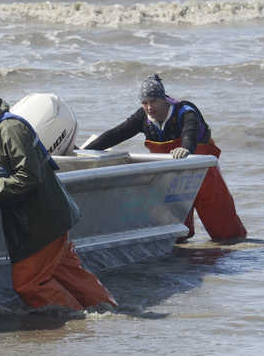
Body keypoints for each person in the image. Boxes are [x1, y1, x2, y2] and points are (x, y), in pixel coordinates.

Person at [0, 85, 116, 311]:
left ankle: (73, 320)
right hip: (38, 220)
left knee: (28, 283)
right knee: (66, 272)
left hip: (41, 220)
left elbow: (29, 176)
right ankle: (109, 312)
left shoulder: (10, 129)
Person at [83, 74, 247, 243]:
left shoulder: (186, 111)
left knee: (224, 225)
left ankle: (235, 247)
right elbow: (115, 135)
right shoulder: (142, 118)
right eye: (144, 102)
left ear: (164, 100)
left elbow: (190, 132)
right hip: (171, 175)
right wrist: (84, 151)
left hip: (204, 174)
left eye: (153, 101)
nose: (149, 107)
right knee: (176, 231)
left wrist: (185, 149)